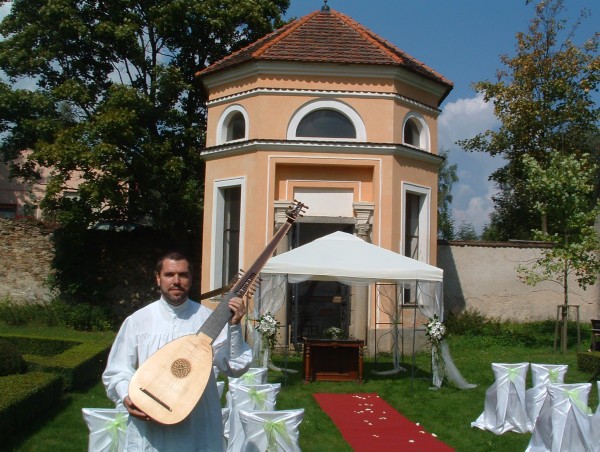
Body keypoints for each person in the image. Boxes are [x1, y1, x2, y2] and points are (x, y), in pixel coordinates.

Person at [103, 250, 252, 451]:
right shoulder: (138, 321)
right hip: (151, 426)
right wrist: (127, 397)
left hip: (197, 426)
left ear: (191, 278)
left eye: (183, 275)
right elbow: (117, 371)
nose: (176, 281)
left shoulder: (209, 320)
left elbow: (235, 368)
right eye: (169, 274)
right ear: (158, 278)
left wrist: (234, 326)